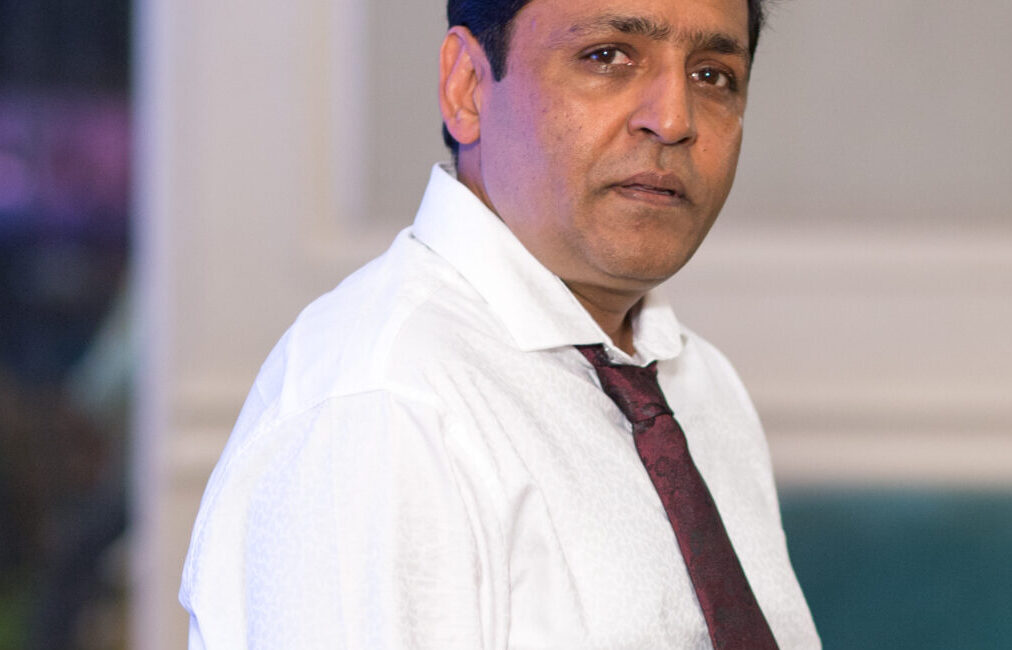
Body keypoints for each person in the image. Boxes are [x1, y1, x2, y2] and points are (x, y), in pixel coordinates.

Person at [180, 0, 821, 647]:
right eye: (606, 57)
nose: (675, 120)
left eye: (712, 75)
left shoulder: (701, 384)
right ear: (466, 87)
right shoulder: (384, 402)